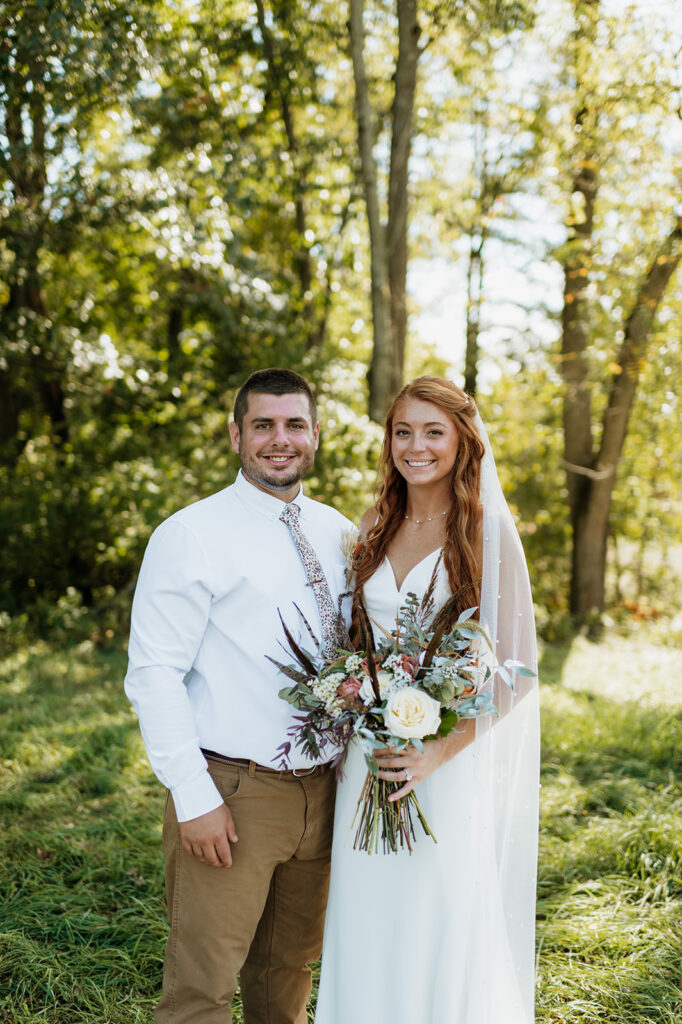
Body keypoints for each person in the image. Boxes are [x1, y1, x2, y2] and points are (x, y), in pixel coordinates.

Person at [124, 368, 353, 1024]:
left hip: (325, 792)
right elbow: (154, 673)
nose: (279, 439)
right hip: (234, 792)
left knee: (287, 974)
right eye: (263, 425)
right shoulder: (192, 534)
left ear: (315, 435)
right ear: (236, 435)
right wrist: (194, 799)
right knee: (202, 987)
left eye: (294, 424)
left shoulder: (339, 532)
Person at [314, 376, 539, 1024]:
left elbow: (518, 669)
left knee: (433, 918)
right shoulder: (375, 524)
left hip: (440, 766)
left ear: (462, 441)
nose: (415, 446)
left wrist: (437, 752)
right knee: (365, 917)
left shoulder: (486, 528)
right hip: (367, 755)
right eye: (403, 431)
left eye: (432, 432)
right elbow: (351, 637)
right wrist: (352, 701)